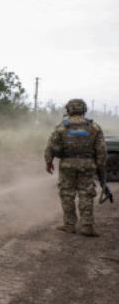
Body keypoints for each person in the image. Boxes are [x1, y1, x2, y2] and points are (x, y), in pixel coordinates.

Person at [44, 99, 107, 237]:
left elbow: (50, 147)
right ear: (84, 110)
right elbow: (102, 151)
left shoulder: (61, 127)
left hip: (67, 165)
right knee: (86, 193)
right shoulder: (94, 127)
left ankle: (69, 225)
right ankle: (87, 226)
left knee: (67, 194)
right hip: (87, 165)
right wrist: (100, 168)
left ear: (69, 110)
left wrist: (49, 162)